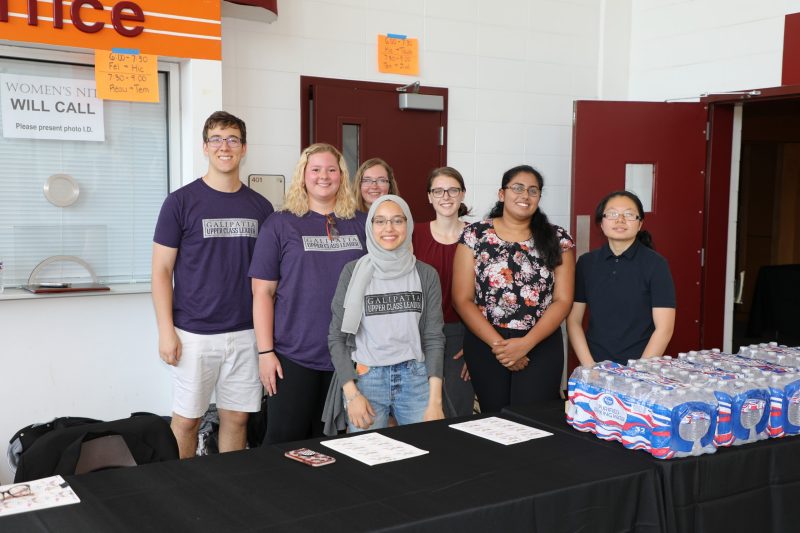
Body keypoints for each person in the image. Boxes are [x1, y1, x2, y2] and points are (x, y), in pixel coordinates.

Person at [152, 111, 274, 458]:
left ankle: (229, 492)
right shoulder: (180, 202)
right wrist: (166, 331)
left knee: (236, 418)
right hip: (193, 333)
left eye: (233, 139)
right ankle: (182, 492)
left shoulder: (261, 207)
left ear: (244, 148)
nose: (225, 146)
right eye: (217, 139)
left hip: (246, 333)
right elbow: (161, 270)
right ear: (205, 147)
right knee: (187, 421)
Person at [250, 143, 367, 444]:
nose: (323, 176)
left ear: (342, 176)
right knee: (283, 442)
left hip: (350, 355)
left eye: (332, 169)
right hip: (294, 354)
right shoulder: (280, 223)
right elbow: (262, 292)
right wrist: (265, 353)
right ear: (303, 175)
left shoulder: (361, 223)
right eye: (315, 169)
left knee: (337, 444)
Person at [452, 165, 575, 413]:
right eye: (517, 188)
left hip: (540, 342)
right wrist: (501, 347)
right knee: (493, 421)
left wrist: (525, 344)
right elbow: (461, 299)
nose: (525, 195)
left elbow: (563, 301)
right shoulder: (475, 235)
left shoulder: (557, 238)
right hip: (487, 342)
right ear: (502, 193)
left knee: (536, 422)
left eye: (533, 190)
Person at [325, 195, 445, 434]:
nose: (388, 228)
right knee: (366, 461)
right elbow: (337, 338)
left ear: (408, 224)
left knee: (427, 454)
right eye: (380, 221)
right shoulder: (353, 272)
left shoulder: (426, 274)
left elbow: (434, 338)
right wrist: (352, 395)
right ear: (370, 227)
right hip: (367, 380)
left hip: (416, 378)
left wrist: (435, 401)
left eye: (397, 220)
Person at [567, 190, 676, 366]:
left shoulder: (656, 264)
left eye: (629, 214)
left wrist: (638, 371)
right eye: (612, 214)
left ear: (640, 223)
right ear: (601, 223)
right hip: (594, 364)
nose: (620, 220)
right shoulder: (586, 263)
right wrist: (590, 366)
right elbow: (573, 321)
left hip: (641, 366)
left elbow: (664, 328)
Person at [412, 166, 475, 418]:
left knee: (456, 411)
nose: (445, 196)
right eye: (438, 190)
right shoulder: (413, 234)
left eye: (452, 190)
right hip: (420, 333)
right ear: (429, 196)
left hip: (464, 334)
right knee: (419, 411)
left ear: (462, 194)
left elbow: (491, 294)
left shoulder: (478, 235)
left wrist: (477, 346)